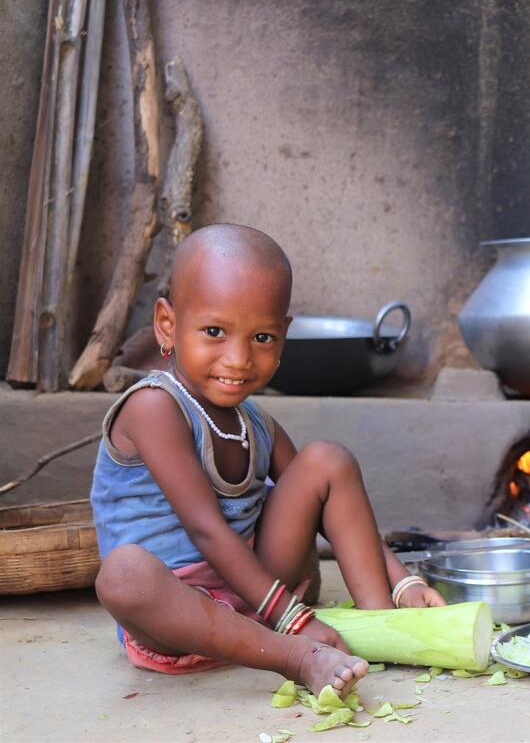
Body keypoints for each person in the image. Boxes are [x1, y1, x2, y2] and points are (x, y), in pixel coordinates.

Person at [90, 223, 445, 696]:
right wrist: (294, 623)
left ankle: (381, 623)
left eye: (262, 338)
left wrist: (403, 581)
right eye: (214, 331)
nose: (238, 359)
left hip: (252, 593)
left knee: (327, 460)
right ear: (168, 325)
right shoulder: (154, 407)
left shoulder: (254, 421)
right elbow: (206, 529)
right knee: (123, 575)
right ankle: (294, 657)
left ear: (285, 335)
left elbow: (331, 504)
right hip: (179, 615)